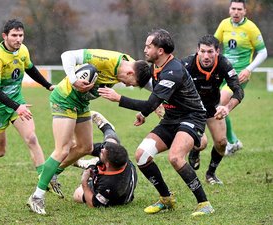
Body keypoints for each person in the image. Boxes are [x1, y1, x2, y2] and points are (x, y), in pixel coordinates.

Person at [98, 29, 214, 216]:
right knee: (142, 155)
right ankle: (166, 198)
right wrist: (143, 113)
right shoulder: (156, 68)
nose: (145, 49)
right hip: (171, 118)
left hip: (191, 117)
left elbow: (152, 102)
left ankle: (204, 203)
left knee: (175, 158)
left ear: (160, 51)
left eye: (149, 46)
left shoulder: (173, 71)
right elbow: (153, 101)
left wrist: (118, 98)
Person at [27, 49, 151, 215]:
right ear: (130, 72)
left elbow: (150, 83)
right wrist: (73, 80)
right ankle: (37, 197)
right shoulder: (107, 59)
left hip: (81, 103)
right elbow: (67, 55)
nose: (128, 85)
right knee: (63, 149)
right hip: (65, 99)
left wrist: (157, 101)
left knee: (85, 147)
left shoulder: (131, 64)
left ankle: (52, 174)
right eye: (131, 82)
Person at [0, 19, 54, 183]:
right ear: (5, 36)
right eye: (14, 35)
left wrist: (48, 85)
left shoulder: (23, 50)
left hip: (16, 102)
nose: (18, 39)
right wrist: (17, 107)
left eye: (21, 35)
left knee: (31, 138)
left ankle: (44, 180)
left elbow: (29, 68)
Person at [180, 34, 244, 185]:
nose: (206, 56)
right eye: (202, 51)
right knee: (202, 143)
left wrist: (227, 108)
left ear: (217, 52)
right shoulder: (187, 64)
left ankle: (211, 174)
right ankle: (195, 151)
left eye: (210, 52)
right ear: (197, 50)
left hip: (212, 108)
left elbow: (238, 91)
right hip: (192, 109)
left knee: (222, 142)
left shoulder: (224, 64)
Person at [214, 0, 267, 155]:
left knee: (219, 103)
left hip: (238, 75)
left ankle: (231, 141)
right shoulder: (224, 24)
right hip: (222, 71)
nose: (236, 12)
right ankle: (233, 141)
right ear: (229, 10)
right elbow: (214, 45)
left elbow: (263, 52)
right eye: (233, 8)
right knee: (214, 105)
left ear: (245, 11)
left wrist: (248, 69)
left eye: (239, 9)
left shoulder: (251, 28)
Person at [73, 139, 137, 208]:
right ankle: (91, 165)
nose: (102, 150)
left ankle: (90, 166)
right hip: (116, 178)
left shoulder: (109, 185)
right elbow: (87, 148)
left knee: (77, 195)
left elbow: (93, 204)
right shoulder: (121, 157)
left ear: (107, 165)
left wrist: (84, 182)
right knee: (110, 141)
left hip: (115, 198)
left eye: (102, 153)